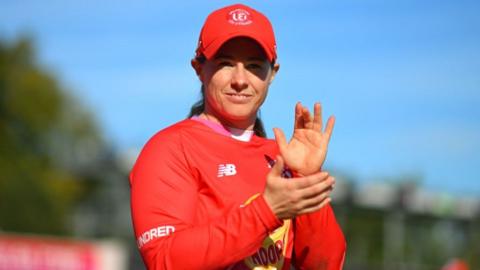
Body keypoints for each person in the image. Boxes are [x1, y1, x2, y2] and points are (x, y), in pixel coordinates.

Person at [130, 3, 346, 270]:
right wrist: (266, 211)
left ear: (272, 74)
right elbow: (165, 260)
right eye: (226, 64)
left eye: (255, 66)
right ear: (199, 68)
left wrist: (306, 177)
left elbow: (325, 265)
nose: (240, 80)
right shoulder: (170, 148)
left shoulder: (282, 157)